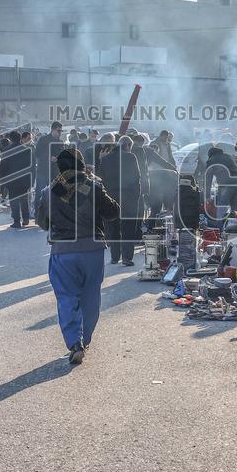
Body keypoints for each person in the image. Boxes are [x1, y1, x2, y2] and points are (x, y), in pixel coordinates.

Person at [36, 147, 120, 364]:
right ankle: (87, 338)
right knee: (90, 297)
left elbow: (42, 222)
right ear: (82, 165)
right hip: (92, 251)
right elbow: (113, 212)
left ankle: (75, 343)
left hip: (63, 252)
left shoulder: (48, 191)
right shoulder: (93, 186)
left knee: (66, 297)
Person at [97, 135, 142, 266]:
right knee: (128, 228)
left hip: (111, 197)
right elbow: (137, 178)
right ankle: (127, 258)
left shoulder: (106, 159)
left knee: (113, 227)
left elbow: (100, 179)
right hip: (128, 197)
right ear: (127, 145)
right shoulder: (131, 157)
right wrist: (136, 196)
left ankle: (115, 257)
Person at [3, 131, 33, 228]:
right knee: (24, 200)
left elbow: (4, 167)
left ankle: (16, 221)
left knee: (14, 201)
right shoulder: (27, 150)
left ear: (10, 139)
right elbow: (31, 167)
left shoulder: (7, 150)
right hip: (24, 179)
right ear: (20, 138)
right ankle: (26, 219)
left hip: (12, 180)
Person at [33, 121, 66, 209]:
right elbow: (37, 153)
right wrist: (49, 157)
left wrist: (59, 158)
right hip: (43, 171)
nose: (60, 133)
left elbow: (63, 154)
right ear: (52, 129)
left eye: (61, 131)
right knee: (39, 193)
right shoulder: (43, 139)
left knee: (55, 195)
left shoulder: (60, 141)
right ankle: (37, 214)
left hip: (55, 172)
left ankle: (52, 215)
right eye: (58, 131)